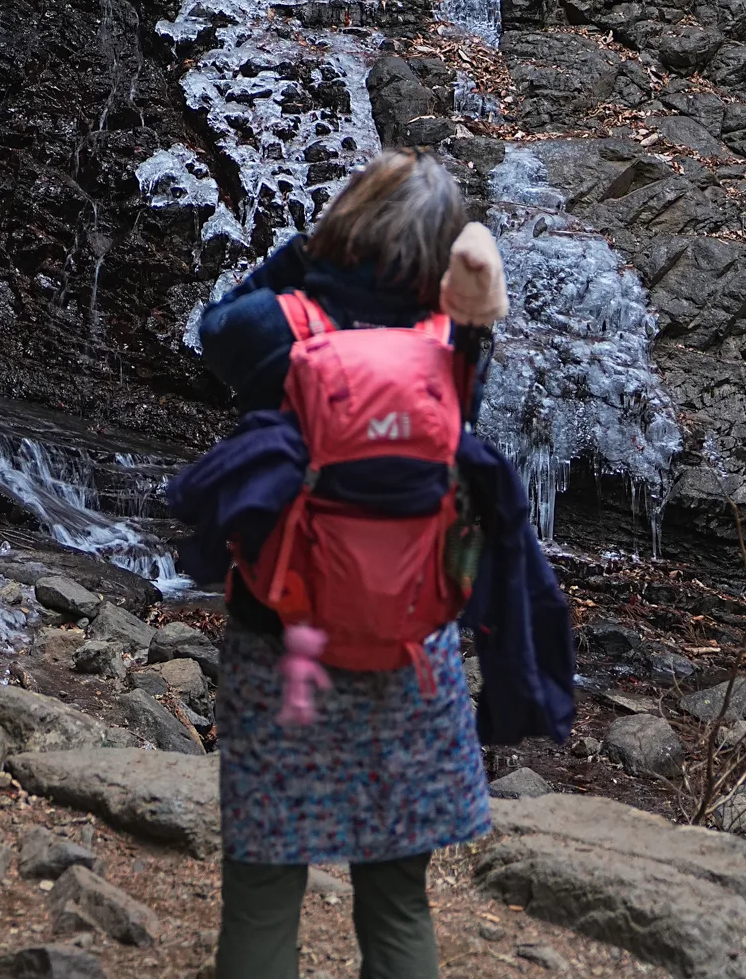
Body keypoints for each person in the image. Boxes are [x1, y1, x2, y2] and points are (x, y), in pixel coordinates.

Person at [195, 150, 511, 979]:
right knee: (399, 900)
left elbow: (215, 326)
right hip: (412, 655)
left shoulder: (280, 330)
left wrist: (308, 252)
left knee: (264, 892)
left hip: (283, 651)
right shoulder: (454, 346)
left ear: (346, 226)